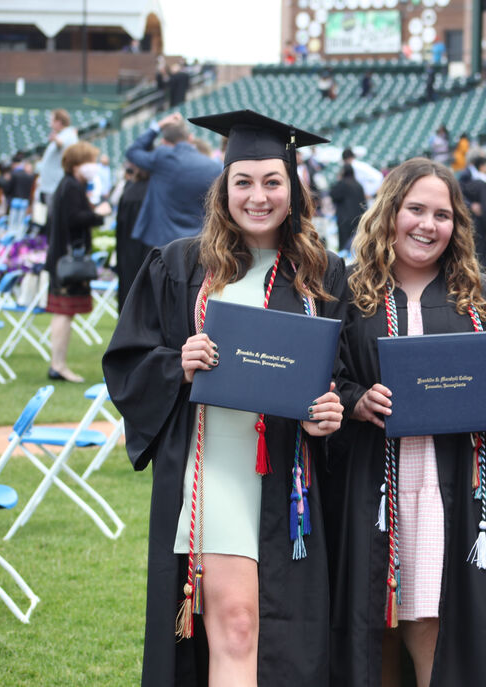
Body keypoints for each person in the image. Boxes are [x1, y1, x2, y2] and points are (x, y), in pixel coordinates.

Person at [102, 110, 345, 687]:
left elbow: (343, 373)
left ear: (293, 189)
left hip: (290, 476)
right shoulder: (182, 264)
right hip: (212, 467)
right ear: (223, 187)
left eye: (272, 182)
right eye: (243, 182)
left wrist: (330, 415)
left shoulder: (324, 273)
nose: (257, 197)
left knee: (273, 634)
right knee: (234, 626)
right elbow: (127, 360)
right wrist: (177, 366)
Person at [327, 157, 486, 687]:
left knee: (433, 620)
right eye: (414, 209)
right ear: (388, 213)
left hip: (456, 489)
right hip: (377, 482)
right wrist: (355, 399)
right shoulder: (350, 295)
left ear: (457, 225)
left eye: (442, 214)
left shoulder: (485, 297)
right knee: (379, 625)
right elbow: (330, 376)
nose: (427, 224)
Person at [45, 141, 112, 383]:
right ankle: (58, 365)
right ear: (76, 165)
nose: (93, 166)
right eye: (89, 162)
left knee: (64, 313)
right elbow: (75, 219)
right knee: (64, 312)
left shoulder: (69, 185)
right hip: (66, 262)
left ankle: (58, 364)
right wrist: (98, 214)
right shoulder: (71, 186)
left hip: (61, 259)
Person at [126, 112, 222, 248]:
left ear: (164, 142)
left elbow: (132, 152)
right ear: (191, 138)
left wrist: (158, 126)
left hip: (164, 242)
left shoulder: (162, 157)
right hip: (200, 241)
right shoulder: (213, 166)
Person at [113, 163, 151, 311]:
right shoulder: (154, 193)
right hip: (146, 250)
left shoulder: (129, 190)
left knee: (128, 292)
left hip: (126, 249)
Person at [35, 109, 78, 236]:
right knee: (45, 221)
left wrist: (56, 139)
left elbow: (64, 147)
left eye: (52, 120)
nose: (50, 124)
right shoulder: (63, 134)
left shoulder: (69, 134)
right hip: (48, 187)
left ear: (59, 122)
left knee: (53, 222)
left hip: (54, 187)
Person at [459, 154, 486, 272]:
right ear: (481, 167)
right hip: (483, 227)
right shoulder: (483, 184)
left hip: (471, 225)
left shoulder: (467, 182)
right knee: (484, 261)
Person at [329, 163, 365, 252]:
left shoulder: (342, 183)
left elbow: (334, 195)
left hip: (344, 219)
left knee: (344, 246)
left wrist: (338, 180)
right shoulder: (358, 185)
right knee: (356, 245)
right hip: (358, 219)